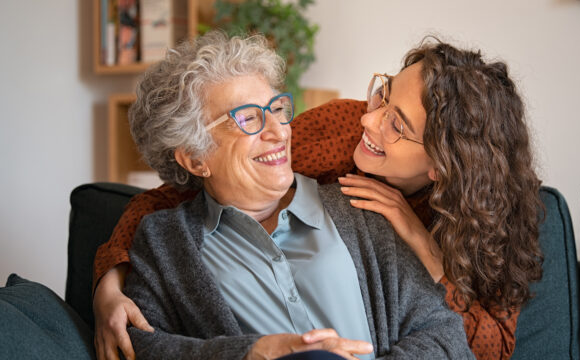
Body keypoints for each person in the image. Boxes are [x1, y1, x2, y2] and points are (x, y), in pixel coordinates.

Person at [93, 36, 542, 360]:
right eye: (382, 96)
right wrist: (107, 285)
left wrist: (420, 242)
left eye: (397, 126)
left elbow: (469, 341)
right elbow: (166, 200)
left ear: (440, 166)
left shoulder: (387, 218)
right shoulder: (341, 133)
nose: (370, 122)